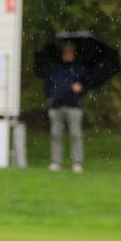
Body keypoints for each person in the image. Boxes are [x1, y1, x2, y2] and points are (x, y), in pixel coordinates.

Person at [45, 43, 88, 173]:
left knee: (75, 135)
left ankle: (77, 163)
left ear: (73, 52)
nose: (67, 53)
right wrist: (50, 97)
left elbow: (86, 84)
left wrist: (81, 88)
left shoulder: (79, 68)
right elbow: (48, 85)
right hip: (56, 106)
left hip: (74, 106)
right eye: (65, 51)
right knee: (56, 135)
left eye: (70, 51)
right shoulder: (55, 67)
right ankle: (56, 162)